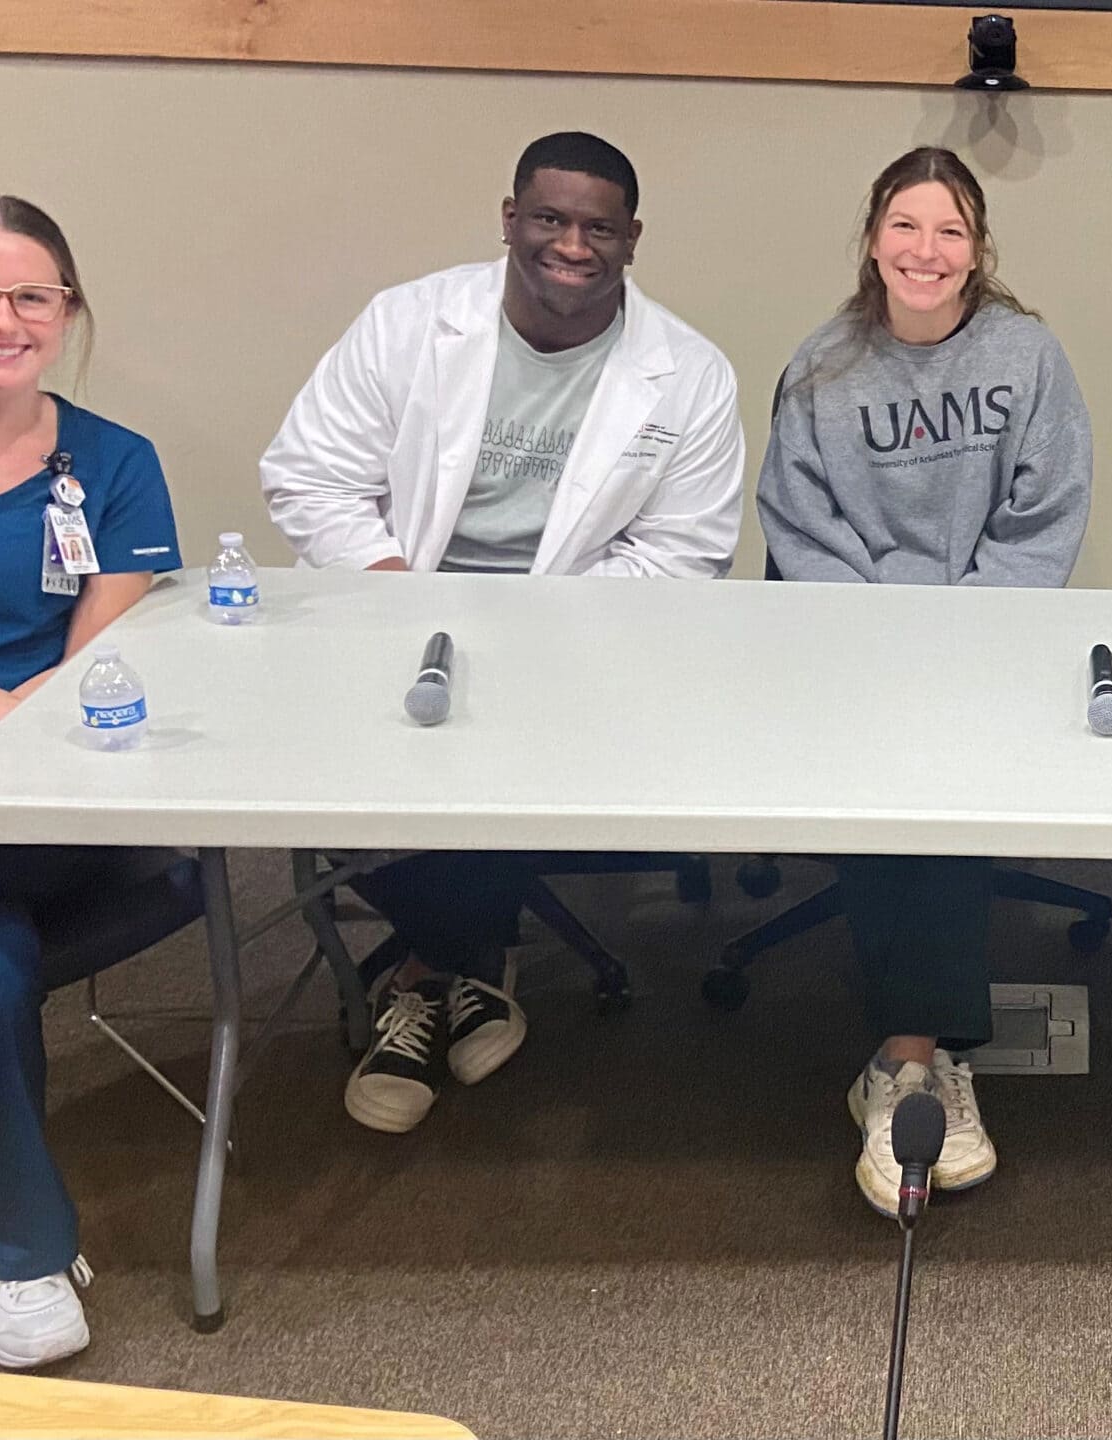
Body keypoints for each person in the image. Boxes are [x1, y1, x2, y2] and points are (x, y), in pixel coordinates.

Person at [260, 131, 746, 1135]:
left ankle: (432, 978)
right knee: (386, 744)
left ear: (632, 238)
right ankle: (470, 971)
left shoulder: (687, 374)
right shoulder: (409, 325)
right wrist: (405, 597)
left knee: (503, 742)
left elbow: (683, 552)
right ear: (511, 219)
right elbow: (309, 474)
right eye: (551, 218)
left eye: (598, 226)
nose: (573, 244)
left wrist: (532, 633)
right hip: (396, 606)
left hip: (585, 636)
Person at [758, 146, 1092, 1215]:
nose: (926, 251)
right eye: (906, 227)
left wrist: (956, 634)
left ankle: (906, 1063)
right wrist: (885, 640)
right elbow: (797, 529)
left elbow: (1045, 515)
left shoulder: (1027, 357)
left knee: (941, 792)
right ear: (872, 240)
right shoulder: (820, 368)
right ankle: (921, 1064)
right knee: (899, 788)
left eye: (949, 232)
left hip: (986, 639)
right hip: (853, 646)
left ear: (978, 250)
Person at [0, 196, 181, 1366]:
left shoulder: (114, 466)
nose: (0, 318)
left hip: (49, 792)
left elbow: (89, 683)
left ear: (66, 315)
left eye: (32, 296)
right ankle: (19, 1246)